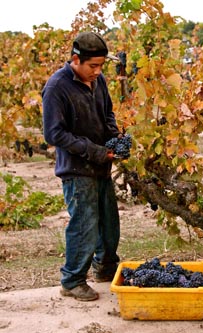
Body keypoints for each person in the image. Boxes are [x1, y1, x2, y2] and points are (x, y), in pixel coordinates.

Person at [42, 32, 122, 301]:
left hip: (101, 165)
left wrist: (115, 137)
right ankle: (73, 280)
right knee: (84, 225)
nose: (98, 72)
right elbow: (54, 134)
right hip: (77, 169)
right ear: (76, 59)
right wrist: (95, 151)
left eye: (101, 66)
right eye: (93, 66)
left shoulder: (98, 82)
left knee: (109, 224)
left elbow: (108, 113)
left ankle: (105, 268)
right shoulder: (57, 87)